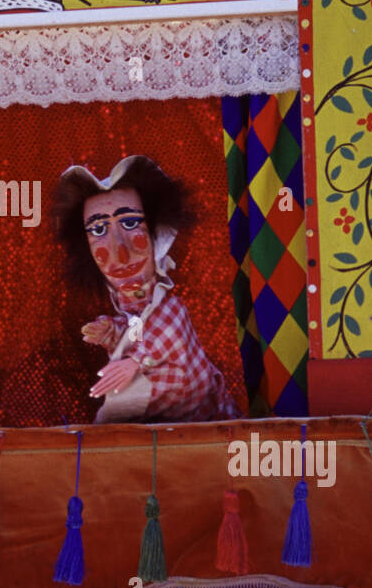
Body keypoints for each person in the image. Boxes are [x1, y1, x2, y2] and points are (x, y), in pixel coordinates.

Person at [52, 155, 240, 423]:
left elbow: (170, 329)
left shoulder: (169, 311)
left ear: (157, 234)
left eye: (130, 223)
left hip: (206, 430)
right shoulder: (137, 315)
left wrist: (135, 362)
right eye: (98, 230)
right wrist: (111, 332)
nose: (120, 251)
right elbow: (139, 332)